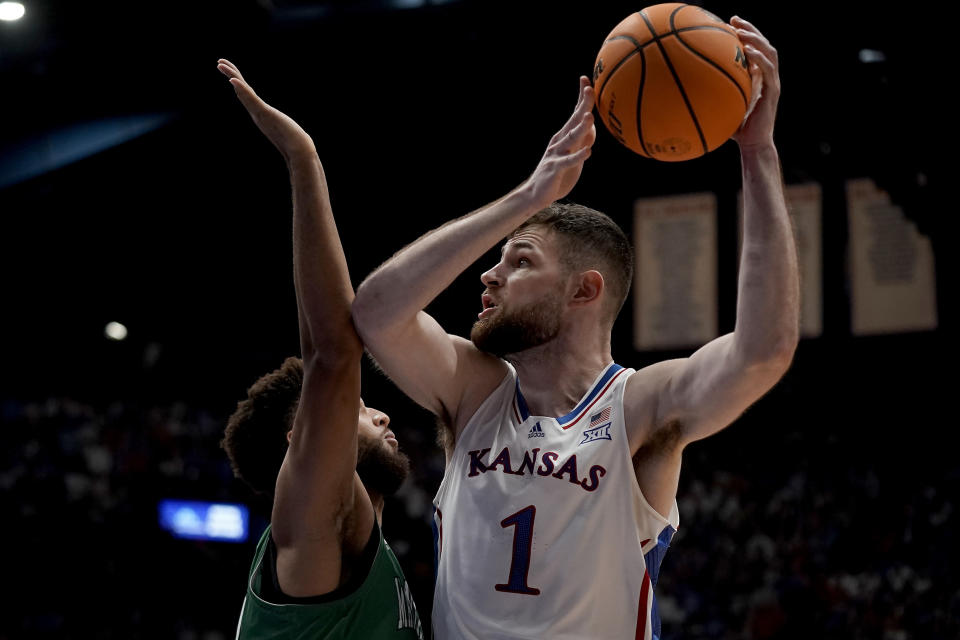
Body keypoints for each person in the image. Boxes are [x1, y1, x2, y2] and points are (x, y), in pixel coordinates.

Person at [352, 17, 796, 640]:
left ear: (584, 289)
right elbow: (374, 313)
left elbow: (764, 350)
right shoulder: (474, 392)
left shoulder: (638, 406)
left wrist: (757, 152)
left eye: (521, 260)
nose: (488, 276)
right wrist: (526, 199)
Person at [216, 59, 423, 639]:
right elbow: (332, 356)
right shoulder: (311, 535)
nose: (379, 411)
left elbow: (326, 361)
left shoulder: (357, 547)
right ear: (299, 441)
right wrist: (303, 159)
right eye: (358, 410)